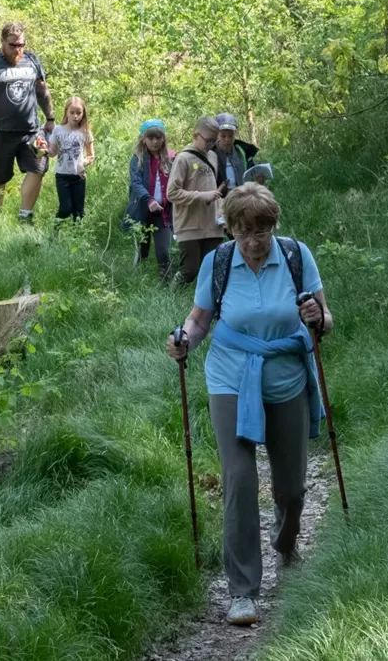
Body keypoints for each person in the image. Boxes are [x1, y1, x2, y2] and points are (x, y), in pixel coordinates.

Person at [165, 183, 333, 627]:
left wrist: (318, 318)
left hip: (286, 375)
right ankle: (242, 591)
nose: (254, 241)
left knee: (292, 488)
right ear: (231, 229)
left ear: (273, 226)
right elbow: (199, 320)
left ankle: (285, 544)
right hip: (230, 377)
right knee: (239, 481)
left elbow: (325, 317)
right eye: (243, 232)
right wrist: (183, 342)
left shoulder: (296, 257)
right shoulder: (218, 262)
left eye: (261, 231)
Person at [0, 22, 55, 224]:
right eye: (12, 45)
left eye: (21, 44)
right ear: (2, 42)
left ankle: (25, 216)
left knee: (39, 167)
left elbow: (42, 91)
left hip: (32, 130)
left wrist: (50, 117)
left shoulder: (32, 60)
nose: (17, 49)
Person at [167, 116, 226, 285]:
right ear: (195, 135)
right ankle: (173, 293)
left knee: (213, 268)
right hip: (189, 223)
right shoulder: (183, 159)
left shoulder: (213, 157)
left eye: (214, 141)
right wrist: (201, 195)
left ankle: (207, 303)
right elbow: (171, 193)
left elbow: (217, 189)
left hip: (213, 223)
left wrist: (221, 211)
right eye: (208, 140)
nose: (210, 145)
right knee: (190, 269)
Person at [124, 119, 174, 279]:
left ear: (163, 139)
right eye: (150, 138)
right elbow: (136, 183)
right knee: (142, 248)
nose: (155, 142)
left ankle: (166, 283)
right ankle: (138, 279)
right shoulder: (137, 159)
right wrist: (149, 200)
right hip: (143, 211)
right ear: (143, 139)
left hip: (163, 212)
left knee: (163, 251)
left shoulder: (170, 158)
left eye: (158, 138)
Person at [48, 96, 95, 222]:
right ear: (66, 112)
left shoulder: (85, 132)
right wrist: (43, 150)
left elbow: (91, 156)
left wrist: (83, 163)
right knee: (65, 208)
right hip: (62, 175)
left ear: (83, 113)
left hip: (78, 176)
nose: (75, 116)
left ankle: (77, 238)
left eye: (79, 113)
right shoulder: (58, 130)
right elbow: (52, 152)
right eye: (72, 112)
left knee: (79, 212)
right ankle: (55, 232)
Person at [212, 113, 260, 195]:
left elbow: (253, 177)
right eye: (223, 136)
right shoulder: (209, 154)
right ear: (217, 135)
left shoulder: (244, 153)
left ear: (235, 133)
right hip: (219, 201)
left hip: (242, 199)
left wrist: (258, 180)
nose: (227, 139)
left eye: (231, 136)